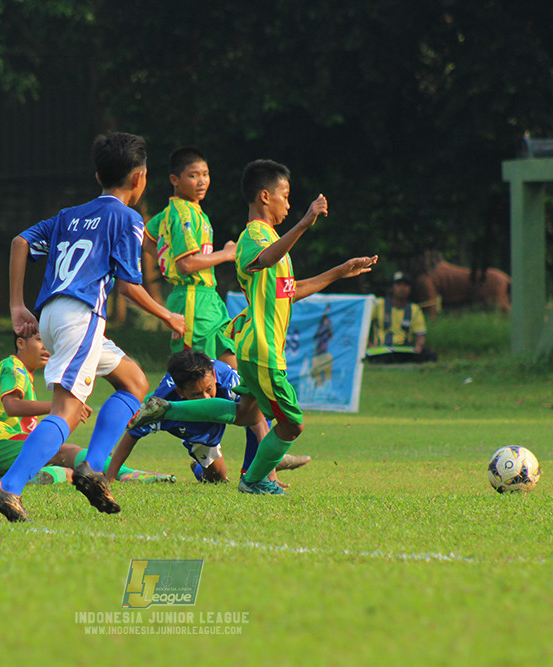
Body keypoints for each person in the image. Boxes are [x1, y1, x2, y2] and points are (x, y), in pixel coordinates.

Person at [130, 159, 377, 495]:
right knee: (292, 424)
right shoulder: (254, 236)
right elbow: (262, 259)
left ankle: (167, 408)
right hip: (262, 348)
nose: (288, 204)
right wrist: (305, 222)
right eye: (285, 196)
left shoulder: (271, 239)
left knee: (245, 413)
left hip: (254, 345)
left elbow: (291, 291)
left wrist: (339, 271)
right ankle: (256, 480)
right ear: (264, 196)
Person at [0, 132, 185, 522]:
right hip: (81, 317)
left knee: (134, 382)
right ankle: (8, 487)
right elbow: (128, 285)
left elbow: (20, 242)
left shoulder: (68, 216)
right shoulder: (127, 218)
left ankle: (93, 468)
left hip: (56, 314)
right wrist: (168, 315)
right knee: (67, 412)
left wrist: (15, 304)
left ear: (98, 175)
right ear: (140, 179)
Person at [0, 330, 175, 486]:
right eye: (40, 340)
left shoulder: (23, 374)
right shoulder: (13, 366)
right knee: (64, 450)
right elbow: (12, 406)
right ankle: (124, 473)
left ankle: (46, 477)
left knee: (63, 470)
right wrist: (59, 407)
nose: (47, 347)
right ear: (20, 343)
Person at [105, 349, 309, 486]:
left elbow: (256, 421)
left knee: (259, 410)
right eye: (196, 395)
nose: (206, 398)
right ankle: (201, 469)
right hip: (194, 427)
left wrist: (268, 474)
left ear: (213, 375)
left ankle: (254, 471)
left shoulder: (229, 379)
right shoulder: (162, 401)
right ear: (180, 392)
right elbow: (133, 433)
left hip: (229, 412)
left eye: (209, 389)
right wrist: (110, 479)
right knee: (219, 479)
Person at [145, 146, 237, 364]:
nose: (202, 181)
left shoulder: (186, 211)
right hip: (192, 301)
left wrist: (164, 258)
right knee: (194, 374)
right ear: (175, 180)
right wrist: (225, 254)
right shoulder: (182, 213)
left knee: (232, 370)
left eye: (205, 174)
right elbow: (187, 264)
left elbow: (147, 238)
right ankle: (159, 400)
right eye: (193, 176)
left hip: (208, 300)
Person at [366, 271, 438, 363]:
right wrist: (369, 344)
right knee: (384, 358)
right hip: (382, 349)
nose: (402, 288)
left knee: (430, 355)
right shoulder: (379, 304)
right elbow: (363, 324)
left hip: (404, 349)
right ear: (391, 288)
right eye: (398, 285)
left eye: (405, 285)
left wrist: (418, 346)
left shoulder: (414, 309)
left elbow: (420, 335)